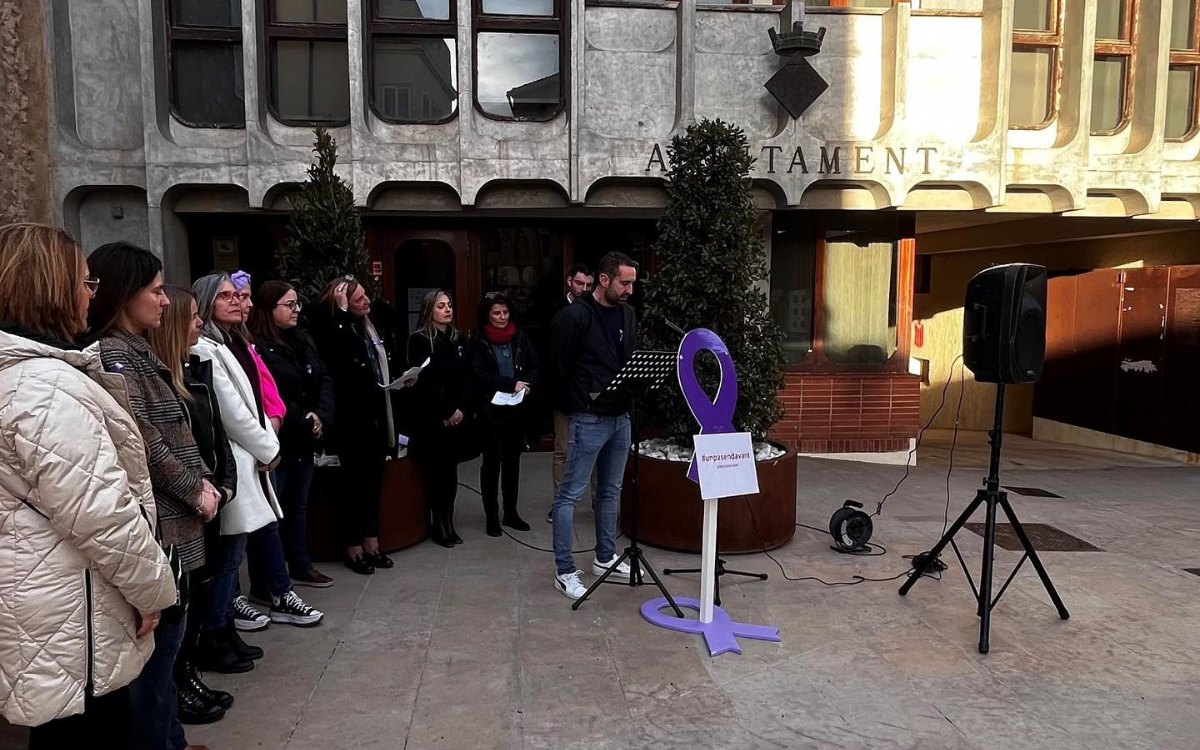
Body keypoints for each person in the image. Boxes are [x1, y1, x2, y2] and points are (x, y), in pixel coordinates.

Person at [0, 224, 176, 748]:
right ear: (53, 290)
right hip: (70, 615)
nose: (89, 294)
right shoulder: (44, 387)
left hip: (47, 602)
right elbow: (102, 514)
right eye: (84, 281)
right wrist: (153, 594)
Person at [86, 242, 224, 747]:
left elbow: (179, 429)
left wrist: (205, 480)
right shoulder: (113, 355)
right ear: (124, 294)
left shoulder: (137, 349)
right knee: (157, 656)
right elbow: (143, 438)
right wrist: (195, 489)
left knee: (168, 650)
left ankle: (172, 739)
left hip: (181, 514)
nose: (165, 303)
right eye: (156, 291)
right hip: (163, 521)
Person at [192, 273, 322, 674]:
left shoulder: (234, 340)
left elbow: (259, 395)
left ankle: (225, 628)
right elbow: (232, 409)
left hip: (253, 453)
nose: (237, 302)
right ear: (205, 302)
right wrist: (269, 445)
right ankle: (215, 632)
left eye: (239, 295)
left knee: (236, 550)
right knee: (229, 555)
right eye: (226, 296)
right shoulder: (206, 346)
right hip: (239, 456)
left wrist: (270, 433)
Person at [147, 286, 238, 725]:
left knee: (197, 595)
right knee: (180, 606)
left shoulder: (192, 372)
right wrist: (198, 490)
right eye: (193, 316)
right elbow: (160, 450)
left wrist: (223, 481)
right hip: (183, 507)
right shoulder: (154, 377)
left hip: (207, 496)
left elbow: (214, 436)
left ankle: (188, 675)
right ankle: (180, 682)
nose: (199, 323)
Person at [548, 252, 639, 600]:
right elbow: (558, 367)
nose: (630, 288)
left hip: (621, 417)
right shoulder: (573, 317)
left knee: (611, 490)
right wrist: (577, 404)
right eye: (624, 282)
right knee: (570, 494)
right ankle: (564, 569)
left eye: (632, 282)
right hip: (588, 416)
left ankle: (605, 558)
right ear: (604, 279)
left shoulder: (628, 314)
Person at [306, 276, 400, 574]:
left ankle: (372, 541)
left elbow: (389, 324)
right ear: (341, 302)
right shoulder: (330, 327)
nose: (366, 303)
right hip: (349, 421)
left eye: (365, 297)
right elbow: (341, 359)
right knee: (352, 488)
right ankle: (353, 547)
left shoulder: (367, 325)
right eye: (359, 299)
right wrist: (343, 311)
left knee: (373, 483)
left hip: (375, 417)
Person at [250, 281, 336, 587]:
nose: (296, 309)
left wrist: (321, 415)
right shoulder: (257, 346)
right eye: (290, 305)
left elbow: (324, 378)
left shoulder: (303, 339)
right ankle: (266, 581)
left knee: (299, 507)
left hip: (306, 438)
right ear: (269, 309)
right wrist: (303, 417)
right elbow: (268, 393)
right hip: (279, 442)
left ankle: (300, 564)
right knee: (272, 512)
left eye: (297, 304)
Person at [469, 293, 540, 536]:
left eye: (505, 313)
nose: (502, 317)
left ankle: (510, 513)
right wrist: (511, 384)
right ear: (488, 315)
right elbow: (478, 375)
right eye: (497, 313)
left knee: (513, 464)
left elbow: (534, 365)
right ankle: (492, 516)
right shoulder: (478, 341)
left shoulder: (519, 337)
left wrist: (527, 383)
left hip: (516, 411)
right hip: (491, 412)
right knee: (491, 465)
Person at [407, 290, 474, 548]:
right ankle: (438, 525)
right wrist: (446, 411)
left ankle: (449, 520)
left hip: (457, 415)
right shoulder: (420, 340)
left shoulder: (458, 338)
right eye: (441, 306)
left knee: (451, 473)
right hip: (434, 418)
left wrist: (460, 409)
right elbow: (422, 382)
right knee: (436, 474)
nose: (447, 310)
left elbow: (466, 378)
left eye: (449, 305)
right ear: (429, 311)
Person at [547, 264, 597, 523]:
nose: (584, 290)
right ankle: (560, 504)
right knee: (563, 450)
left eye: (589, 285)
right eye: (580, 284)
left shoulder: (596, 311)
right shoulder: (557, 312)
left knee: (597, 450)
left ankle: (598, 503)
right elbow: (553, 358)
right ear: (569, 282)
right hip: (564, 392)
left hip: (591, 394)